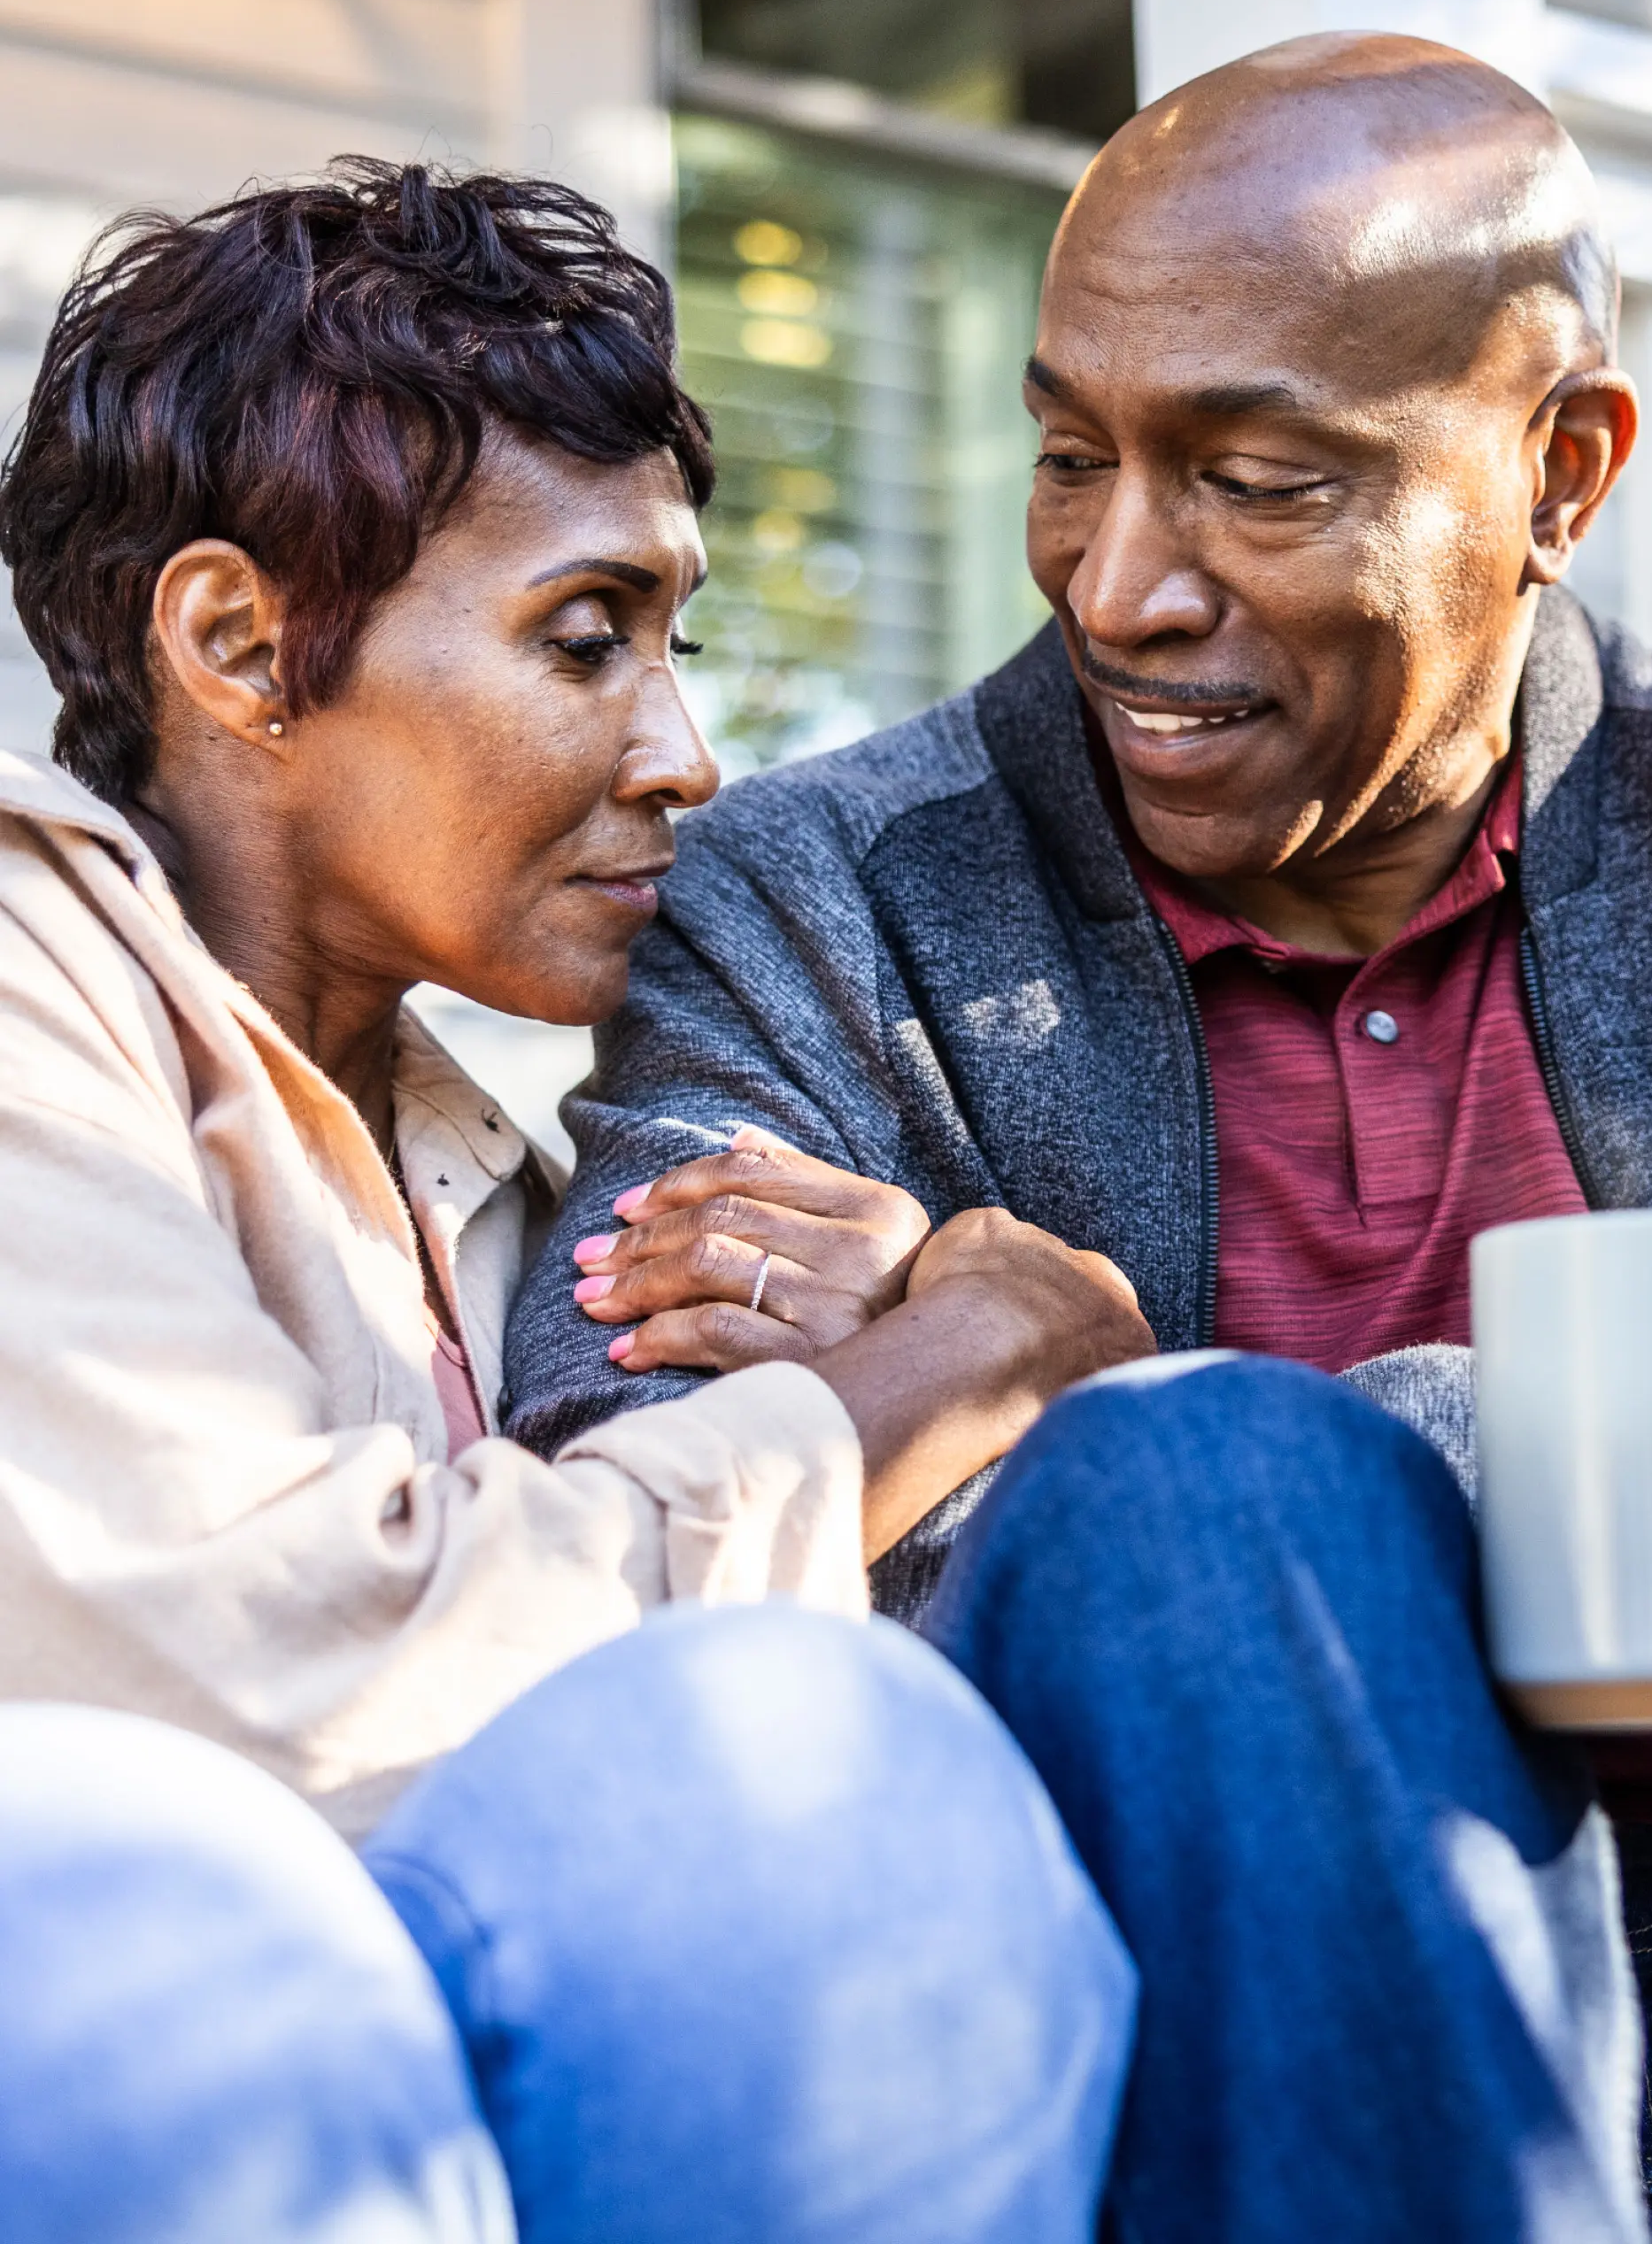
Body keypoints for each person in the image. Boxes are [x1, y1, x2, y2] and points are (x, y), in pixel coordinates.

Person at [504, 34, 1652, 2242]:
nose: (1112, 587)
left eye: (1256, 481)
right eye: (1069, 454)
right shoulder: (813, 898)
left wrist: (1053, 1377)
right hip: (1171, 2062)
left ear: (1559, 472)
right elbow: (627, 1474)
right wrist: (1204, 1501)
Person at [0, 159, 1146, 2234]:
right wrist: (951, 1366)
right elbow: (286, 1677)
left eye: (673, 642)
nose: (685, 751)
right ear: (240, 643)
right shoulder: (29, 987)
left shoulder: (509, 1177)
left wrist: (867, 1312)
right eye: (586, 637)